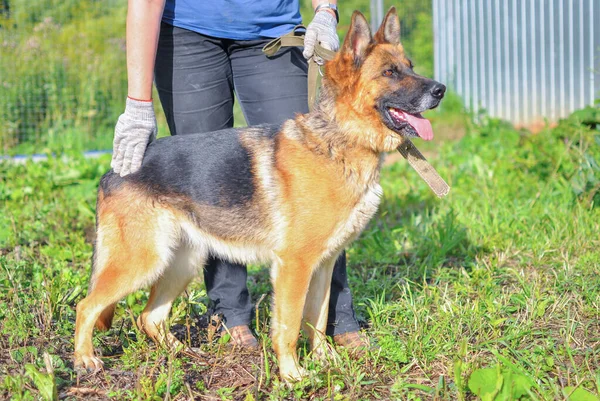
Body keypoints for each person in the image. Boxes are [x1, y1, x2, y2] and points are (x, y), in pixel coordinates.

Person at [110, 0, 370, 351]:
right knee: (209, 184)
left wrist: (325, 10)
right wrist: (138, 104)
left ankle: (336, 317)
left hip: (273, 31)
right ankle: (230, 315)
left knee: (319, 182)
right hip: (187, 34)